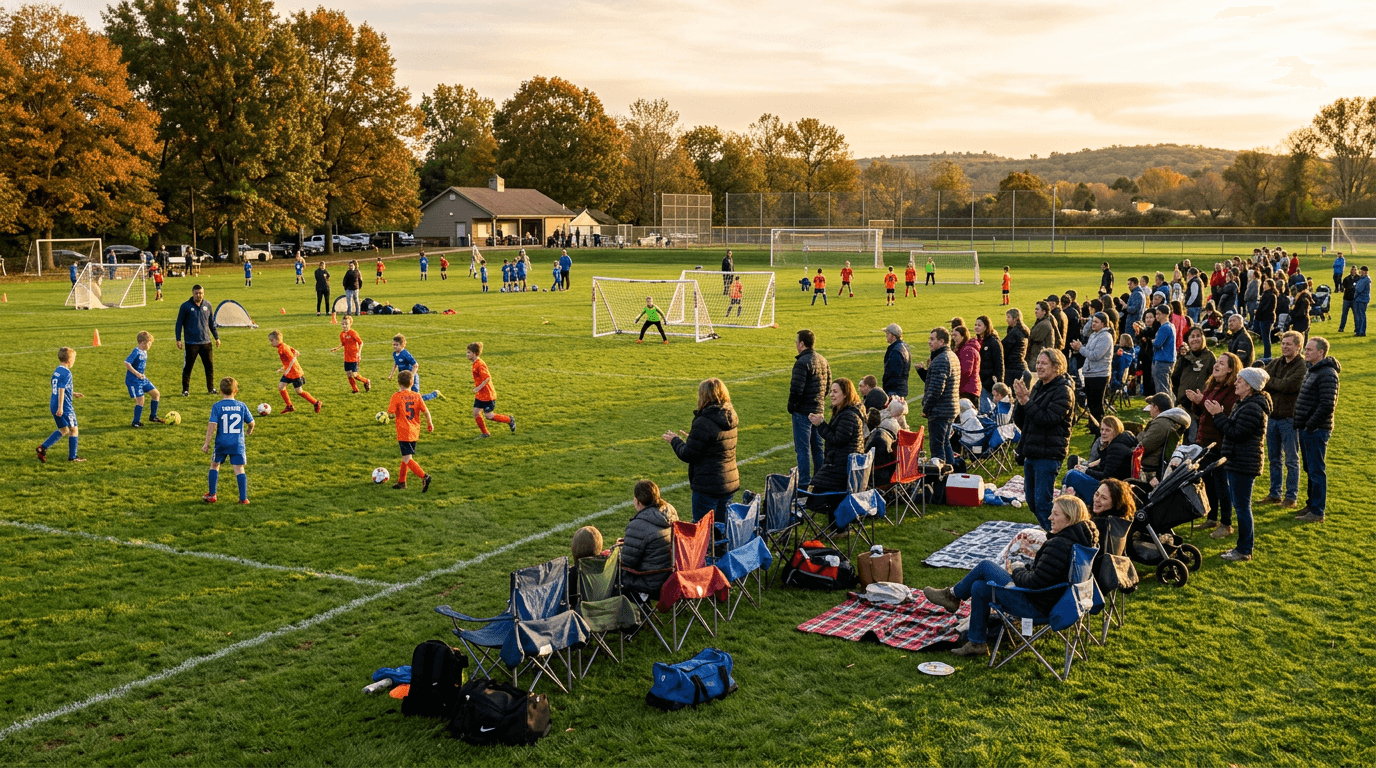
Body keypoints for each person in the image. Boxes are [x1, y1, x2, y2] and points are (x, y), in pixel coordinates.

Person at [922, 495, 1098, 658]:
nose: (1050, 518)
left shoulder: (1059, 544)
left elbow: (1033, 583)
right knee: (979, 587)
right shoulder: (1079, 542)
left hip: (1035, 606)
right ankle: (976, 643)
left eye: (1055, 514)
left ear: (1069, 518)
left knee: (985, 566)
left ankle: (952, 596)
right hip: (1050, 600)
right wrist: (1027, 568)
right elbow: (1046, 575)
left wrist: (1017, 569)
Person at [1208, 366, 1271, 562]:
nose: (1236, 383)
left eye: (1240, 381)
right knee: (1241, 506)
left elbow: (1235, 433)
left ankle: (1244, 549)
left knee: (1242, 508)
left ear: (1250, 386)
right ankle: (1243, 546)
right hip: (1239, 461)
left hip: (1244, 464)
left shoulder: (1252, 407)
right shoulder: (1244, 403)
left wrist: (1218, 415)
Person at [1013, 349, 1074, 530]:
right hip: (1032, 451)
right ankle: (1049, 531)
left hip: (1048, 455)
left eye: (1043, 363)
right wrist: (1020, 402)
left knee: (1042, 503)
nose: (1038, 367)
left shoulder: (1063, 391)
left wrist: (1026, 401)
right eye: (1038, 363)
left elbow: (1047, 420)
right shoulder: (1039, 386)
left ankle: (1055, 536)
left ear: (1057, 367)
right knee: (1032, 501)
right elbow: (1023, 422)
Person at [664, 377, 739, 522]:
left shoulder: (704, 421)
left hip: (708, 486)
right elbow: (717, 445)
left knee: (703, 533)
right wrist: (693, 438)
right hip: (729, 482)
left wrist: (675, 440)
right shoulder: (730, 416)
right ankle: (722, 546)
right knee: (722, 530)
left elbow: (688, 454)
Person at [1187, 352, 1242, 536]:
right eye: (1216, 362)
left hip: (1219, 443)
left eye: (1221, 363)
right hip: (1204, 440)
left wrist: (1202, 401)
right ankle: (1212, 517)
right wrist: (1197, 402)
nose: (1216, 365)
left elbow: (1223, 412)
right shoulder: (1212, 384)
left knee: (1221, 484)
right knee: (1208, 481)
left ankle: (1226, 523)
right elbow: (1204, 410)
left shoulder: (1233, 390)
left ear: (1230, 369)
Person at [1293, 336, 1340, 523]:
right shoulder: (1312, 370)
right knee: (1310, 469)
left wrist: (1310, 424)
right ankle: (1311, 504)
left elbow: (1328, 404)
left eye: (1310, 349)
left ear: (1321, 352)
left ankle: (1318, 511)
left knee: (1316, 470)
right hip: (1307, 428)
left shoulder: (1327, 373)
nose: (1305, 352)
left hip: (1316, 429)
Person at [806, 379, 866, 518]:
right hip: (843, 466)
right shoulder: (846, 412)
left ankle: (837, 526)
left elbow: (837, 439)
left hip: (841, 469)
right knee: (816, 486)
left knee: (814, 493)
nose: (831, 395)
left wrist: (821, 424)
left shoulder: (849, 416)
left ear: (845, 394)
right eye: (831, 391)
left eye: (835, 392)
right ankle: (837, 527)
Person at [1261, 331, 1305, 507]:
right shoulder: (1277, 362)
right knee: (1274, 458)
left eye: (1289, 344)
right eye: (1283, 343)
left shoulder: (1302, 366)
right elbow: (1261, 378)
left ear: (1298, 346)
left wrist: (1271, 382)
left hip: (1290, 419)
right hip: (1272, 417)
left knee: (1292, 460)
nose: (1285, 346)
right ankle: (1274, 493)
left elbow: (1288, 386)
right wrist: (1273, 382)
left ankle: (1291, 497)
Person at [620, 479, 678, 598]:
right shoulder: (670, 512)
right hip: (673, 577)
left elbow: (627, 563)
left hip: (652, 583)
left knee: (615, 574)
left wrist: (616, 551)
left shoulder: (638, 526)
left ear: (637, 501)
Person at [788, 329, 831, 487]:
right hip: (818, 410)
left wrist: (792, 407)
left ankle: (804, 483)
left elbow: (796, 390)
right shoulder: (822, 360)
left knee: (803, 449)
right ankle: (820, 479)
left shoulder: (801, 363)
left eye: (796, 342)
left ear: (801, 343)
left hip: (803, 412)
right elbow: (827, 386)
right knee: (817, 447)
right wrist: (819, 402)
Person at [201, 376, 254, 503]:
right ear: (235, 391)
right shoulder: (241, 405)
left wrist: (206, 443)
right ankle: (243, 498)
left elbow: (212, 425)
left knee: (214, 465)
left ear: (220, 391)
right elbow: (251, 422)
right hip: (237, 443)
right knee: (239, 469)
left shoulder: (217, 406)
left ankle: (212, 494)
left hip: (221, 442)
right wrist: (249, 430)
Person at [1062, 416, 1139, 500]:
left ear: (1116, 431)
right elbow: (1103, 468)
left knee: (1072, 475)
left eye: (1107, 430)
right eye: (1102, 429)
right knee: (1072, 472)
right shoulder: (1115, 444)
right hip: (1109, 485)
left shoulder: (1117, 448)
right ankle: (1068, 501)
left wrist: (1085, 471)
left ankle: (1067, 502)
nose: (1103, 433)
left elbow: (1107, 476)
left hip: (1112, 489)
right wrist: (1085, 469)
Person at [917, 327, 960, 466]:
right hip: (950, 408)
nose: (929, 342)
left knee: (937, 449)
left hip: (940, 410)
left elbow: (936, 389)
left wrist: (926, 408)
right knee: (945, 442)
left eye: (932, 339)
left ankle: (942, 479)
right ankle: (952, 476)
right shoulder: (951, 356)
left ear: (941, 341)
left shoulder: (941, 360)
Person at [386, 370, 434, 491]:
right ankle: (402, 482)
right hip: (414, 431)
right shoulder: (417, 396)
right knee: (406, 457)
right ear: (412, 382)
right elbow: (426, 411)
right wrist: (430, 423)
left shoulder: (396, 396)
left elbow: (391, 413)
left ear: (398, 382)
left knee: (407, 459)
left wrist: (388, 416)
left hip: (403, 431)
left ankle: (424, 476)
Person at [37, 347, 85, 463]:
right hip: (64, 406)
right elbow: (61, 389)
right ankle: (73, 457)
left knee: (64, 430)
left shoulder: (57, 371)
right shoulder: (67, 373)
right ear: (69, 361)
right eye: (74, 359)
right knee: (74, 429)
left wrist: (72, 393)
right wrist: (61, 407)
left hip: (53, 403)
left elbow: (57, 387)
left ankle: (42, 448)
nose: (74, 361)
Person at [175, 284, 220, 396]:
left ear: (203, 293)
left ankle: (211, 388)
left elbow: (211, 323)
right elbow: (179, 323)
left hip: (206, 342)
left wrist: (216, 337)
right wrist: (178, 339)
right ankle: (185, 390)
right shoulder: (185, 306)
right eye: (196, 293)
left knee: (209, 366)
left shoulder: (208, 305)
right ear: (192, 293)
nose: (198, 295)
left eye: (200, 293)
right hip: (191, 343)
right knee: (188, 367)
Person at [466, 342, 515, 439]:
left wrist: (478, 388)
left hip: (488, 395)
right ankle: (485, 433)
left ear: (475, 353)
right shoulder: (475, 364)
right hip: (481, 395)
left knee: (488, 416)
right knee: (476, 412)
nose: (466, 354)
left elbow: (487, 378)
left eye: (468, 352)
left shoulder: (480, 364)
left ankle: (509, 420)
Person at [1074, 312, 1113, 432]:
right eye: (1093, 321)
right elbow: (1089, 351)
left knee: (1097, 403)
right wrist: (1080, 348)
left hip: (1099, 374)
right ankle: (1093, 426)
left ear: (1104, 323)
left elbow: (1095, 355)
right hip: (1090, 373)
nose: (1093, 324)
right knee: (1090, 403)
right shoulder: (1093, 335)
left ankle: (1100, 427)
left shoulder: (1105, 337)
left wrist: (1080, 348)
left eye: (1096, 322)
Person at [268, 330, 321, 414]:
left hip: (295, 373)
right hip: (289, 372)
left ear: (277, 340)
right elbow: (295, 351)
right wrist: (285, 368)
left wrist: (286, 369)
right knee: (281, 387)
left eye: (272, 341)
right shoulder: (283, 346)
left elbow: (293, 357)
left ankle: (316, 402)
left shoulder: (282, 349)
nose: (271, 343)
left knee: (299, 391)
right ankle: (289, 406)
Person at [124, 331, 164, 427]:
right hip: (133, 380)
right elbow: (126, 363)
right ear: (142, 342)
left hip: (142, 379)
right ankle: (135, 422)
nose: (150, 345)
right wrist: (137, 374)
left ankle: (153, 416)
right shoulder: (136, 351)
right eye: (149, 343)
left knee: (156, 394)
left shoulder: (144, 351)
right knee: (140, 401)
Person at [388, 334, 442, 402]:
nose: (394, 346)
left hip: (412, 378)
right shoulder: (394, 354)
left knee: (417, 398)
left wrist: (411, 377)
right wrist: (391, 375)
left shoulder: (405, 354)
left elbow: (416, 365)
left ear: (402, 345)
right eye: (393, 344)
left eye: (396, 345)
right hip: (404, 378)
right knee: (404, 396)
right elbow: (396, 363)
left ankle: (435, 394)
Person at [1172, 326, 1215, 408]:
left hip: (1201, 402)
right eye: (1192, 336)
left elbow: (1214, 379)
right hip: (1183, 402)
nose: (1195, 339)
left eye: (1198, 336)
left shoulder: (1209, 357)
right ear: (1188, 340)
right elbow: (1175, 378)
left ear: (1203, 338)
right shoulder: (1185, 357)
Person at [331, 315, 371, 394]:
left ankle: (366, 381)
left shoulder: (353, 333)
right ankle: (355, 389)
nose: (344, 325)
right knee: (348, 374)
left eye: (346, 324)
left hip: (354, 356)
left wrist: (359, 352)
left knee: (354, 374)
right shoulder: (342, 334)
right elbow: (343, 344)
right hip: (346, 357)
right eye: (343, 324)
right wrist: (337, 348)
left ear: (350, 324)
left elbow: (361, 342)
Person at [974, 316, 1003, 414]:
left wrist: (998, 383)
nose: (976, 327)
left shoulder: (993, 342)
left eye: (979, 325)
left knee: (988, 412)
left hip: (989, 383)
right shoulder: (977, 342)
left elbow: (999, 364)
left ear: (986, 327)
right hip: (980, 382)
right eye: (975, 325)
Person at [1149, 305, 1176, 395]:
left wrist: (1153, 341)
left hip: (1162, 360)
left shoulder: (1164, 327)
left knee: (1161, 388)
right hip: (1168, 359)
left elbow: (1157, 344)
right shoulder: (1171, 326)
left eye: (1158, 314)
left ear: (1165, 314)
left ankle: (1164, 406)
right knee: (1166, 386)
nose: (1157, 316)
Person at [952, 325, 981, 404]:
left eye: (955, 335)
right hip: (969, 389)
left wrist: (953, 378)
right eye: (952, 335)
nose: (953, 337)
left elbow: (966, 371)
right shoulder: (964, 349)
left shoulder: (967, 350)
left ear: (963, 336)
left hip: (967, 391)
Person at [1002, 308, 1029, 385]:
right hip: (1020, 365)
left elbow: (1004, 348)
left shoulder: (1014, 333)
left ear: (1015, 319)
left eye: (1008, 317)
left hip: (1013, 368)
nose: (1006, 320)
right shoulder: (1022, 330)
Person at [1025, 301, 1054, 370]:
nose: (1035, 311)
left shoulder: (1044, 324)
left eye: (1037, 309)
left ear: (1044, 312)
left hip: (1037, 358)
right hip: (1037, 357)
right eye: (1035, 309)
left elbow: (1032, 337)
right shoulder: (1042, 322)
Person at [1255, 279, 1278, 359]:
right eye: (1263, 284)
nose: (1263, 285)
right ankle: (1266, 354)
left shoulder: (1271, 295)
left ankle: (1267, 355)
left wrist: (1258, 312)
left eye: (1265, 284)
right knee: (1265, 337)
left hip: (1267, 318)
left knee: (1266, 337)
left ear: (1270, 285)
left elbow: (1266, 308)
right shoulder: (1265, 294)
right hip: (1263, 317)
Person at [1353, 265, 1370, 337]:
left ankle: (1361, 332)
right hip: (1360, 299)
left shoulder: (1365, 279)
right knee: (1359, 316)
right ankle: (1359, 331)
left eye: (1362, 271)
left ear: (1365, 272)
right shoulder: (1362, 278)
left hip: (1361, 299)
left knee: (1361, 316)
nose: (1361, 272)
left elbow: (1359, 289)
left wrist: (1355, 286)